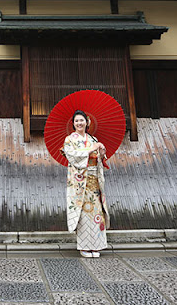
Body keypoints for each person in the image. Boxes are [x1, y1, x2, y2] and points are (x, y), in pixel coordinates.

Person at [61, 110, 110, 258]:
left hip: (94, 180)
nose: (79, 123)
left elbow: (100, 159)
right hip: (81, 182)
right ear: (73, 124)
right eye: (76, 121)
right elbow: (72, 156)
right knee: (84, 214)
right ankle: (84, 247)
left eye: (82, 120)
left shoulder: (93, 139)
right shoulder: (70, 140)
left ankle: (97, 246)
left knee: (97, 214)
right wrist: (90, 150)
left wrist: (101, 153)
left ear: (87, 122)